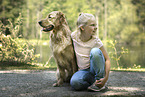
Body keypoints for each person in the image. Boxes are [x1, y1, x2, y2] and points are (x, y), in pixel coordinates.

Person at [70, 13, 111, 91]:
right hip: (83, 71)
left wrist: (105, 78)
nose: (96, 28)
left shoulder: (96, 41)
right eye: (92, 25)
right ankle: (93, 84)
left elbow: (107, 60)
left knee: (95, 51)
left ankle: (100, 82)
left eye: (96, 25)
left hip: (94, 69)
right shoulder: (74, 37)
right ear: (82, 27)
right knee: (75, 83)